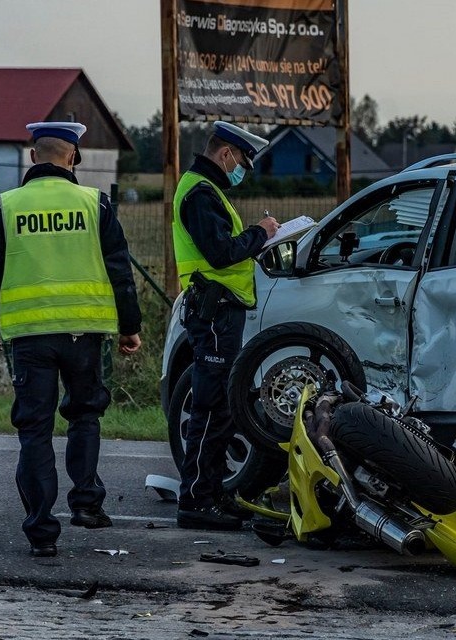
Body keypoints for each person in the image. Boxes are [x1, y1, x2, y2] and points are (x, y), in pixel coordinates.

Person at [0, 121, 143, 558]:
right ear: (74, 157)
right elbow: (120, 271)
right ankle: (86, 504)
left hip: (29, 338)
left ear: (33, 156)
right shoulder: (95, 203)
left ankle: (42, 533)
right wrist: (129, 326)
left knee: (35, 431)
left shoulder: (5, 207)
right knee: (85, 416)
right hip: (85, 333)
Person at [172, 121, 278, 531]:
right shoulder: (201, 193)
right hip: (213, 312)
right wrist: (260, 233)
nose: (242, 172)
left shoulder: (206, 190)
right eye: (242, 164)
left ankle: (212, 493)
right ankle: (197, 501)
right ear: (226, 154)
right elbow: (220, 253)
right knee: (211, 407)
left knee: (220, 407)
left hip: (220, 312)